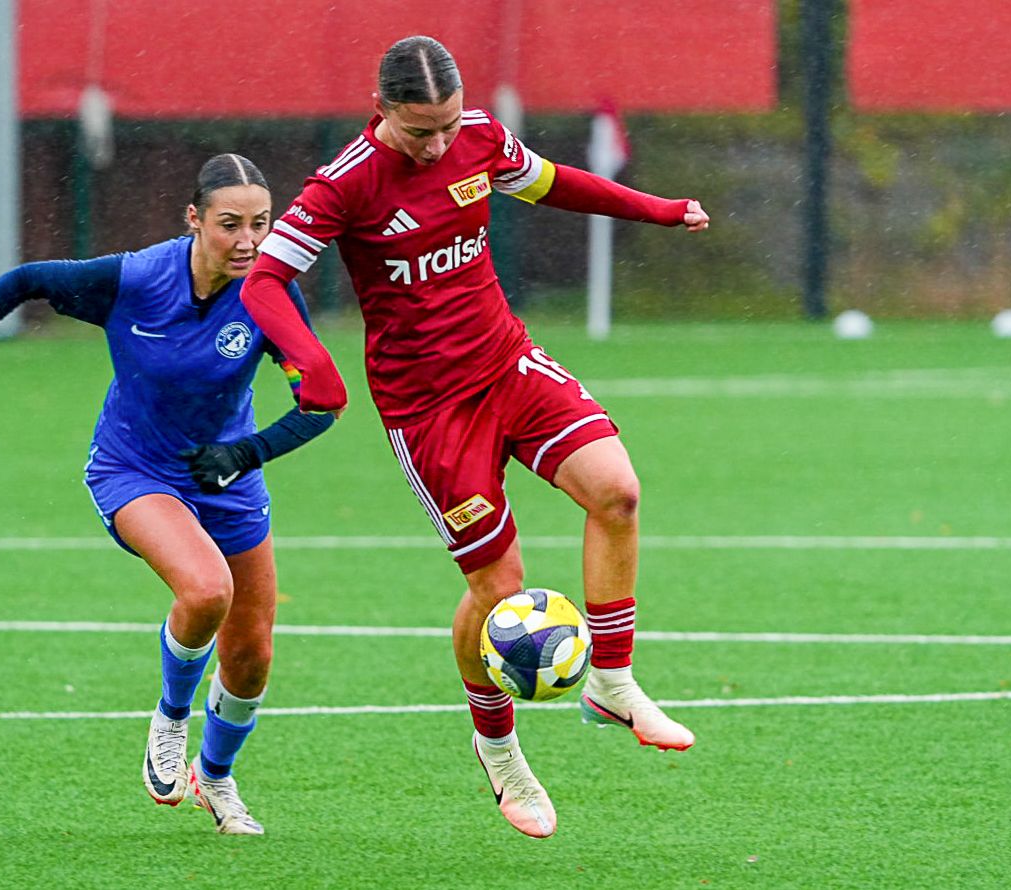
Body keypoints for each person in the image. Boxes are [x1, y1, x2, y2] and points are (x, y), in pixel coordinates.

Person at [239, 36, 710, 838]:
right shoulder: (343, 184)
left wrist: (656, 208)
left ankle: (613, 681)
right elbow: (264, 280)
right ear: (381, 109)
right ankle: (500, 756)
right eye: (420, 130)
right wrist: (308, 360)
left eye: (447, 125)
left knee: (617, 492)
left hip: (506, 361)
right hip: (428, 410)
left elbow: (555, 183)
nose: (437, 143)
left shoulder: (480, 137)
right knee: (498, 592)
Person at [0, 154, 334, 836]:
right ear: (192, 220)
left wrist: (245, 455)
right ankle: (169, 718)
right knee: (205, 590)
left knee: (251, 657)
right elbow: (23, 281)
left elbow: (320, 405)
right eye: (229, 224)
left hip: (228, 476)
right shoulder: (135, 279)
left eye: (261, 224)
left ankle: (215, 780)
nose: (248, 241)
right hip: (134, 471)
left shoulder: (272, 296)